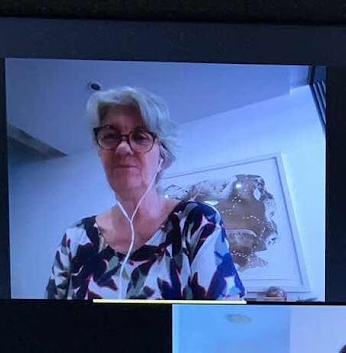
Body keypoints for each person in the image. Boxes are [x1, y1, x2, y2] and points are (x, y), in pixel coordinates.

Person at [46, 86, 245, 300]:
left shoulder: (196, 223)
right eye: (110, 136)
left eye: (140, 137)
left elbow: (223, 316)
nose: (122, 148)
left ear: (162, 158)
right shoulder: (76, 238)